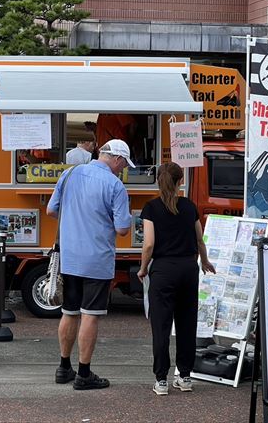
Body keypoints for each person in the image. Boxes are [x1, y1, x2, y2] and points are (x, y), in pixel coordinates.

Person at [46, 139, 134, 391]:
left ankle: (64, 367)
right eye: (124, 164)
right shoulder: (115, 185)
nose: (123, 169)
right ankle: (84, 373)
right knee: (90, 315)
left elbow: (52, 210)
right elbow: (122, 229)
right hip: (97, 258)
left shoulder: (70, 173)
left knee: (69, 311)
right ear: (116, 159)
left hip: (70, 256)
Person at [136, 162, 216, 396]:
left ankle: (161, 380)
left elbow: (149, 243)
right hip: (188, 269)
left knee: (160, 327)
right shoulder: (190, 206)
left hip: (163, 271)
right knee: (186, 324)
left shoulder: (151, 208)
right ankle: (185, 376)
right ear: (180, 181)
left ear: (158, 181)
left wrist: (142, 268)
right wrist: (205, 261)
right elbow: (200, 240)